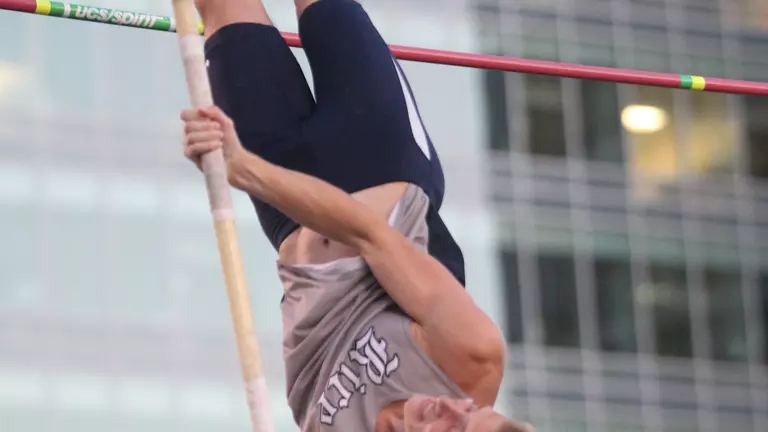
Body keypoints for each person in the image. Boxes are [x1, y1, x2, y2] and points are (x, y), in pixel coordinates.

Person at [184, 0, 535, 431]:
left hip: (287, 205)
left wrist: (252, 169)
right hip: (376, 152)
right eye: (472, 410)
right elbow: (371, 236)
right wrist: (247, 171)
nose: (450, 408)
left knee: (220, 6)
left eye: (454, 430)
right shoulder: (472, 357)